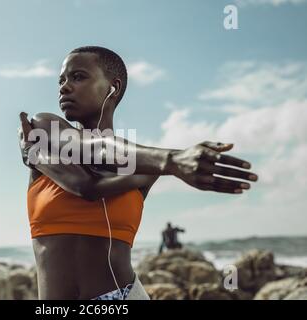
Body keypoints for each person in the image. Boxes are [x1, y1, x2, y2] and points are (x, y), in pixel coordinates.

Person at [18, 46, 258, 300]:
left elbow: (92, 179)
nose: (64, 87)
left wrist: (33, 156)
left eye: (78, 77)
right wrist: (173, 159)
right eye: (62, 80)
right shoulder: (44, 126)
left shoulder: (146, 165)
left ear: (113, 88)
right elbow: (84, 176)